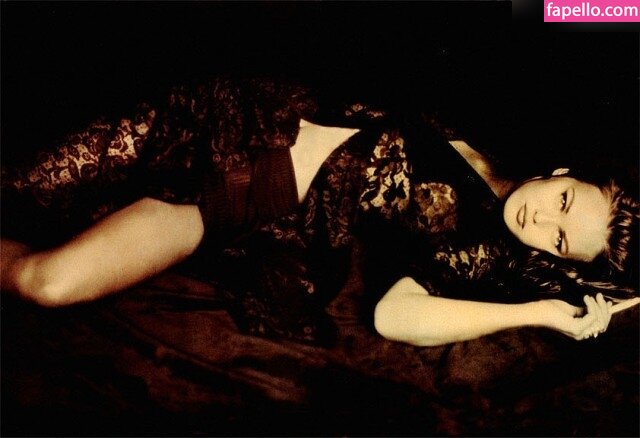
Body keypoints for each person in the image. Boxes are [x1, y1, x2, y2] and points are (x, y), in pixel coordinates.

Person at [1, 76, 638, 346]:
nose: (540, 223)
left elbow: (394, 316)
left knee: (46, 282)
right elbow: (584, 9)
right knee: (24, 187)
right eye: (562, 202)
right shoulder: (506, 117)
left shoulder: (482, 252)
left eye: (560, 240)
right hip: (231, 115)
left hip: (238, 196)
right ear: (562, 172)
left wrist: (541, 313)